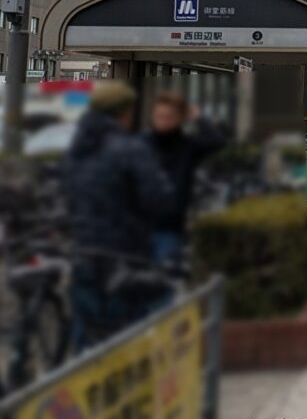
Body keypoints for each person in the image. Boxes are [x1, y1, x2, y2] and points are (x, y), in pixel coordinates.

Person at [63, 81, 176, 348]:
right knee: (133, 330)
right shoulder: (130, 149)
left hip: (84, 252)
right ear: (124, 112)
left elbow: (67, 196)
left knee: (87, 332)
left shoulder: (76, 151)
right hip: (125, 255)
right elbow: (159, 199)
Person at [145, 91, 228, 267]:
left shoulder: (188, 145)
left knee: (165, 282)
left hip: (170, 228)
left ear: (180, 119)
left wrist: (198, 117)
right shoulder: (141, 143)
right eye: (159, 116)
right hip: (139, 227)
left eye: (169, 117)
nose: (163, 121)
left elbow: (218, 141)